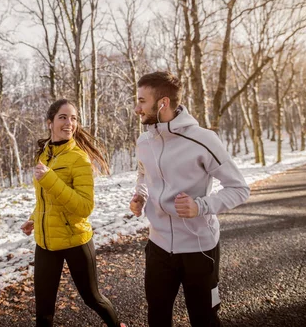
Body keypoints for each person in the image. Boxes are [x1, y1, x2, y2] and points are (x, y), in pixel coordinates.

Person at [129, 71, 250, 327]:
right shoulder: (144, 141)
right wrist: (140, 195)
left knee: (204, 319)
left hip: (199, 249)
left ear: (162, 103)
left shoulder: (203, 140)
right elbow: (143, 174)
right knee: (157, 317)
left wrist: (201, 207)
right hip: (158, 247)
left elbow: (239, 188)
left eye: (141, 101)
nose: (136, 108)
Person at [21, 99, 126, 327]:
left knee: (93, 299)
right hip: (46, 243)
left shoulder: (79, 158)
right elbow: (45, 199)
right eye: (63, 117)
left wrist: (49, 179)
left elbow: (84, 207)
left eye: (74, 118)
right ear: (50, 122)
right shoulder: (44, 155)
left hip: (75, 240)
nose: (70, 123)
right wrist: (34, 217)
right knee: (43, 310)